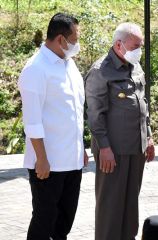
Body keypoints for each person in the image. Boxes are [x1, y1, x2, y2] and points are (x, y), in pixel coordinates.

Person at [18, 13, 88, 240]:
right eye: (75, 39)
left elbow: (74, 111)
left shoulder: (69, 65)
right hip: (48, 162)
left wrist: (81, 148)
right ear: (60, 39)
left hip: (72, 159)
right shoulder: (35, 69)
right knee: (44, 220)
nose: (77, 44)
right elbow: (33, 120)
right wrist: (41, 158)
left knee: (65, 220)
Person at [85, 22, 155, 240]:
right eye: (135, 46)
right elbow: (95, 115)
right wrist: (104, 148)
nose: (139, 51)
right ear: (119, 44)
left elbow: (142, 104)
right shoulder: (101, 71)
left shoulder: (135, 67)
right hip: (113, 151)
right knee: (110, 206)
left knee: (130, 204)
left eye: (140, 46)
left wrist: (149, 136)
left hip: (136, 148)